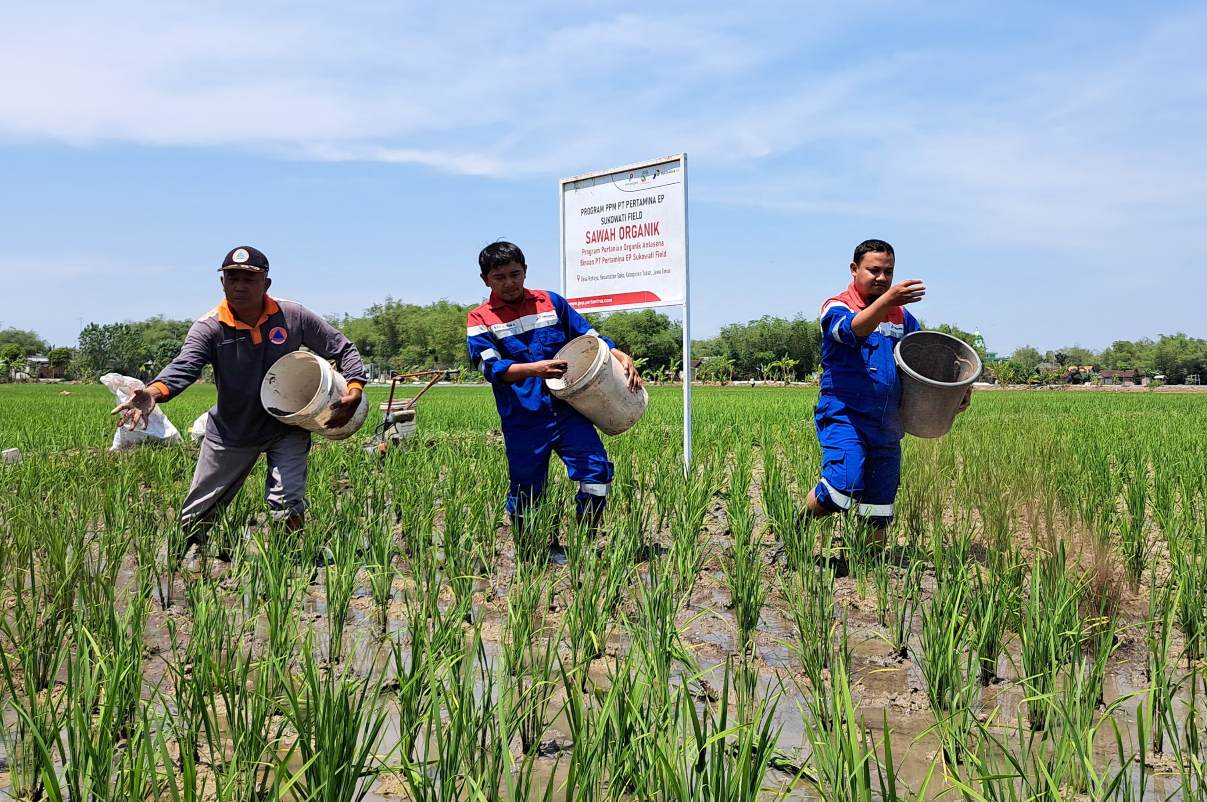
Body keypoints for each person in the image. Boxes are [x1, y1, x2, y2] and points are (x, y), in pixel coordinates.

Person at [112, 245, 367, 563]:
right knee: (199, 512)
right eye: (232, 278)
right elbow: (185, 366)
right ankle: (179, 562)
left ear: (266, 284)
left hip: (286, 425)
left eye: (249, 279)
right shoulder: (210, 327)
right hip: (232, 430)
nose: (239, 286)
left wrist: (354, 387)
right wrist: (154, 392)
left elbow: (342, 348)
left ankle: (287, 563)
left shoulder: (292, 316)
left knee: (288, 500)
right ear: (222, 283)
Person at [466, 241, 642, 552]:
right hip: (523, 417)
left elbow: (587, 337)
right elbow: (491, 367)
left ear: (525, 271)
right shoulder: (480, 319)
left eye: (514, 274)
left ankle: (582, 543)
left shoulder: (551, 302)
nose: (508, 283)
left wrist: (616, 352)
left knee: (596, 472)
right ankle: (532, 553)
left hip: (568, 409)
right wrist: (535, 369)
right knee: (527, 490)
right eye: (499, 277)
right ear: (485, 279)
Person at [804, 239, 969, 542]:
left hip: (887, 422)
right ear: (854, 269)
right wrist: (887, 302)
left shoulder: (902, 317)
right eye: (874, 270)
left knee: (878, 509)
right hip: (845, 415)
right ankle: (798, 524)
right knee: (844, 485)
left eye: (888, 272)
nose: (882, 278)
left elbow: (924, 358)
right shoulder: (838, 306)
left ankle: (866, 573)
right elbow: (852, 330)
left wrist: (958, 388)